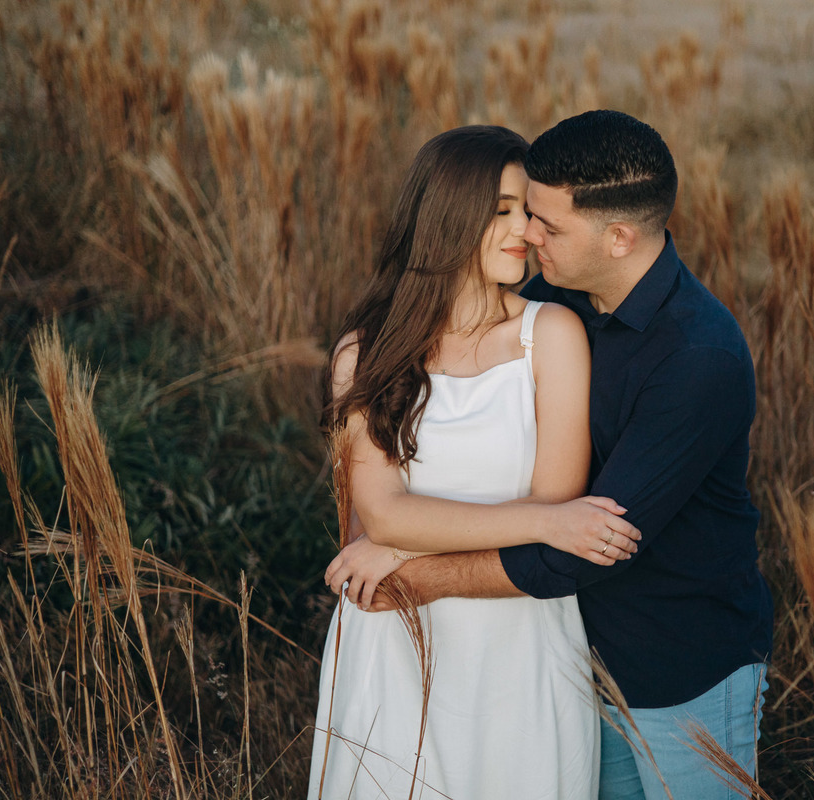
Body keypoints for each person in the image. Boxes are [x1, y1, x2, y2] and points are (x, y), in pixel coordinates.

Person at [334, 110, 774, 800]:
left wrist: (410, 568)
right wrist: (390, 526)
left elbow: (579, 542)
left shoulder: (698, 359)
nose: (528, 235)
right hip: (573, 659)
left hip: (678, 672)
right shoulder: (549, 291)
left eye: (546, 224)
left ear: (619, 237)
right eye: (516, 213)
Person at [306, 125, 642, 800]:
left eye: (530, 212)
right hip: (394, 638)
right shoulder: (363, 355)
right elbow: (382, 511)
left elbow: (556, 497)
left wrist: (396, 550)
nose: (526, 230)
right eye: (503, 212)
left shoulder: (551, 334)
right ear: (449, 218)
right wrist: (543, 526)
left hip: (521, 639)